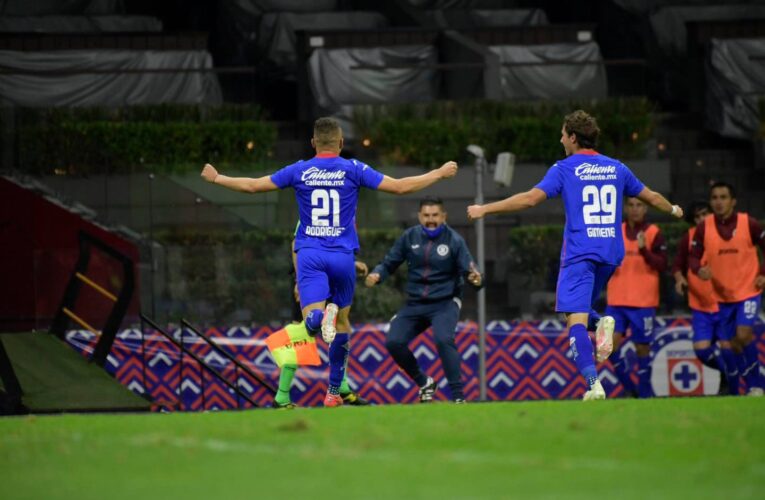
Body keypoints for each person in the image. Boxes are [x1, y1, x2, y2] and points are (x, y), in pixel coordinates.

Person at [202, 116, 458, 407]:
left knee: (311, 320)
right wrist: (437, 173)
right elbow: (400, 187)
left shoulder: (299, 170)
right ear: (341, 143)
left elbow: (252, 186)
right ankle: (334, 392)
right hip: (342, 257)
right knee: (343, 323)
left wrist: (218, 178)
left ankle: (316, 322)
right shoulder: (353, 169)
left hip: (310, 254)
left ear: (313, 143)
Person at [467, 109, 683, 400]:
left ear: (572, 137)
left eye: (562, 134)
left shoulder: (565, 168)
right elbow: (651, 197)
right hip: (610, 253)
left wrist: (485, 209)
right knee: (579, 312)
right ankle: (601, 323)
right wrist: (673, 209)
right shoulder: (616, 167)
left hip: (580, 253)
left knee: (574, 320)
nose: (560, 139)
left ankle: (593, 384)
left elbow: (530, 199)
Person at [365, 196, 483, 403]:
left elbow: (470, 269)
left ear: (443, 216)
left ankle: (458, 397)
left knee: (443, 339)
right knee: (394, 342)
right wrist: (377, 274)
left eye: (435, 215)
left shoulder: (454, 240)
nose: (431, 219)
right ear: (419, 216)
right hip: (415, 303)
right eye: (426, 215)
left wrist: (476, 279)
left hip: (445, 302)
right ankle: (424, 382)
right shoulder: (409, 237)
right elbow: (389, 263)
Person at [688, 182, 765, 396]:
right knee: (733, 344)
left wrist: (763, 274)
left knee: (743, 333)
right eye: (715, 198)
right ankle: (752, 386)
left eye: (723, 197)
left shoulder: (748, 223)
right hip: (722, 297)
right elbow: (693, 256)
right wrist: (698, 269)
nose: (719, 202)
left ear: (733, 201)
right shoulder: (705, 227)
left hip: (748, 291)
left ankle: (756, 386)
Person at [605, 197, 668, 398]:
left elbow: (662, 265)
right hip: (616, 301)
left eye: (639, 205)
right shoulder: (615, 232)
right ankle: (630, 388)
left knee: (642, 348)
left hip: (643, 302)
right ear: (625, 208)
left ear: (646, 208)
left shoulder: (654, 233)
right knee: (608, 347)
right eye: (631, 205)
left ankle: (644, 394)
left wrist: (644, 250)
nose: (634, 209)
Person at [672, 201, 732, 395]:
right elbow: (677, 266)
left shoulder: (724, 234)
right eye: (697, 217)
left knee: (728, 348)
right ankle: (727, 373)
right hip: (700, 306)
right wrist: (680, 279)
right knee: (702, 351)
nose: (701, 219)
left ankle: (731, 384)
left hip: (724, 303)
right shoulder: (688, 238)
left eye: (704, 214)